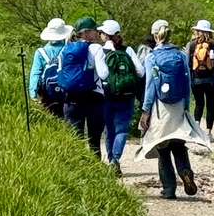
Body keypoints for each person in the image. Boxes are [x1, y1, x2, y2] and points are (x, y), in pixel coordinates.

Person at [140, 19, 209, 199]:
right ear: (169, 34)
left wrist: (145, 110)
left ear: (155, 35)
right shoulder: (180, 55)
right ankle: (185, 171)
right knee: (179, 144)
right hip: (178, 105)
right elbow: (187, 82)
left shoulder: (152, 57)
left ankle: (169, 189)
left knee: (163, 149)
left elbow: (150, 86)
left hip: (160, 108)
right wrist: (186, 105)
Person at [97, 20, 144, 178]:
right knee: (122, 129)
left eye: (102, 33)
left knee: (109, 129)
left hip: (106, 94)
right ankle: (115, 159)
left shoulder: (99, 51)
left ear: (105, 35)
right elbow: (141, 72)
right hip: (126, 95)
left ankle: (111, 159)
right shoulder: (128, 50)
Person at [58, 16, 107, 155]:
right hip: (94, 98)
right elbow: (103, 74)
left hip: (71, 99)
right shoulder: (96, 48)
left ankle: (78, 172)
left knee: (75, 141)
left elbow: (60, 73)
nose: (97, 32)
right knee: (94, 141)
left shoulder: (65, 49)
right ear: (85, 32)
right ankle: (97, 173)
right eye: (95, 30)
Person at [185, 19, 214, 139]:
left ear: (197, 31)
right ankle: (209, 133)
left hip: (195, 80)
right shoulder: (213, 45)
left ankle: (196, 129)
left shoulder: (191, 44)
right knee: (210, 105)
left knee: (199, 103)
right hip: (211, 80)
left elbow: (187, 63)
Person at [29, 17, 72, 118]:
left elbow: (35, 74)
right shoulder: (69, 48)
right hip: (68, 92)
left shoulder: (41, 52)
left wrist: (33, 94)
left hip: (48, 94)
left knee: (51, 118)